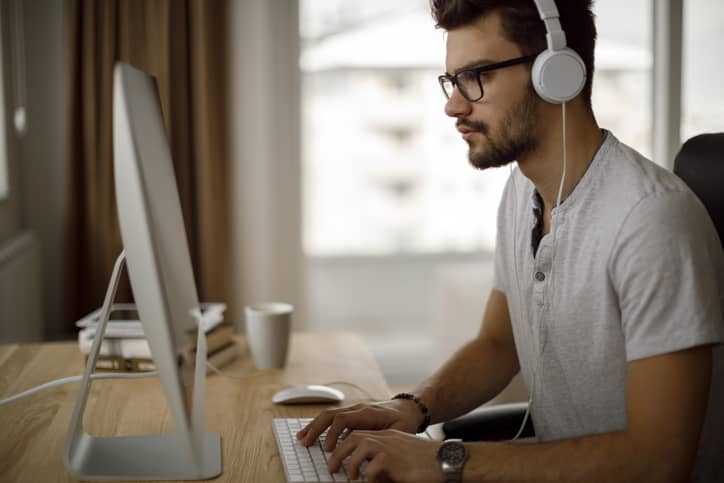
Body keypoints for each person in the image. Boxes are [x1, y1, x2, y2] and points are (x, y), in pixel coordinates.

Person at [297, 1, 724, 481]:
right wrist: (410, 408)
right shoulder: (524, 191)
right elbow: (498, 345)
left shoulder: (650, 220)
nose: (453, 105)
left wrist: (443, 462)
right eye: (452, 81)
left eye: (476, 76)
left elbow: (657, 460)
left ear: (557, 73)